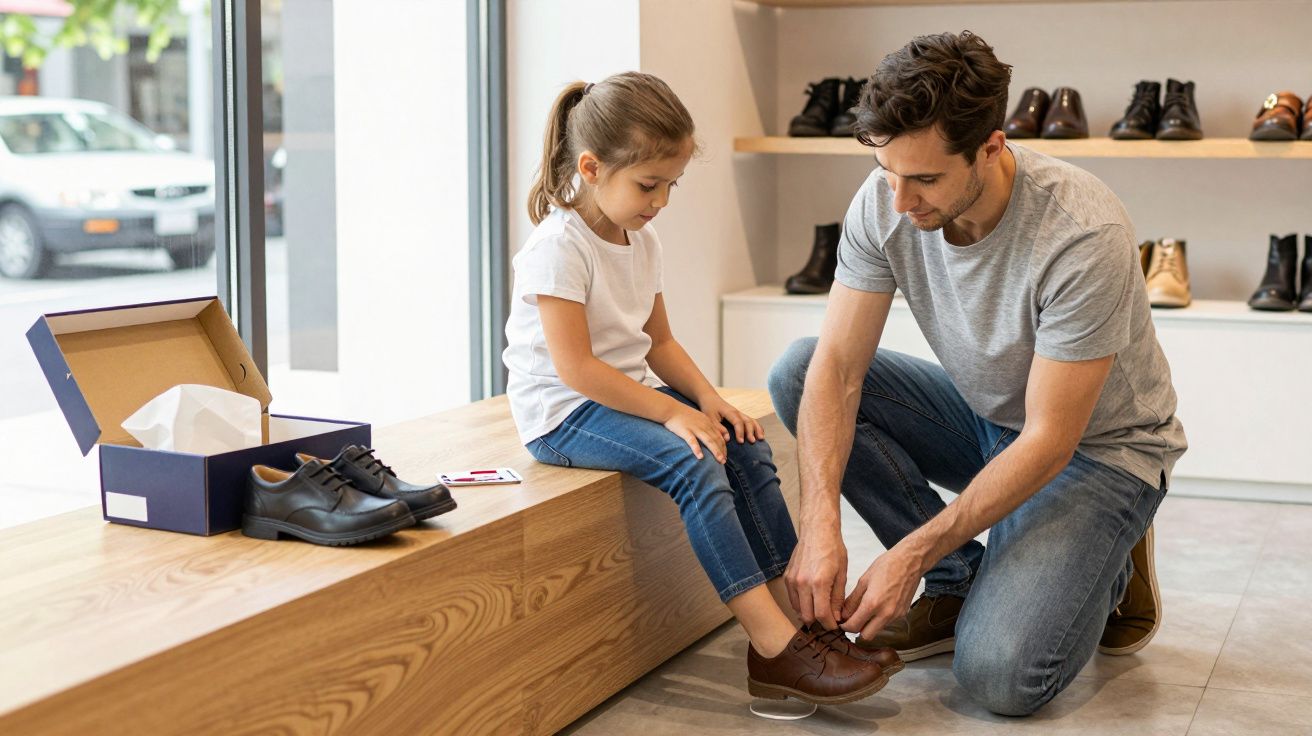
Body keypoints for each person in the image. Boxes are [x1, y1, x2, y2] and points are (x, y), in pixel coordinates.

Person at [767, 32, 1187, 716]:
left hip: (1098, 450)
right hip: (991, 419)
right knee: (798, 368)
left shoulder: (1082, 234)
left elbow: (1051, 440)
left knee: (1001, 677)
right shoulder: (887, 198)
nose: (899, 201)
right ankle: (960, 580)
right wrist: (820, 523)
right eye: (888, 172)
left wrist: (910, 554)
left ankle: (1114, 547)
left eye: (925, 179)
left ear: (991, 146)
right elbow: (839, 369)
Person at [502, 71, 898, 705]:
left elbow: (657, 343)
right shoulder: (557, 247)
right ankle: (772, 646)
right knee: (694, 461)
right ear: (591, 166)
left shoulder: (643, 238)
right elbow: (575, 369)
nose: (660, 201)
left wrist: (708, 399)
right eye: (648, 184)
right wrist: (671, 415)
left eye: (671, 185)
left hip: (620, 394)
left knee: (742, 442)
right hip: (564, 413)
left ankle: (804, 623)